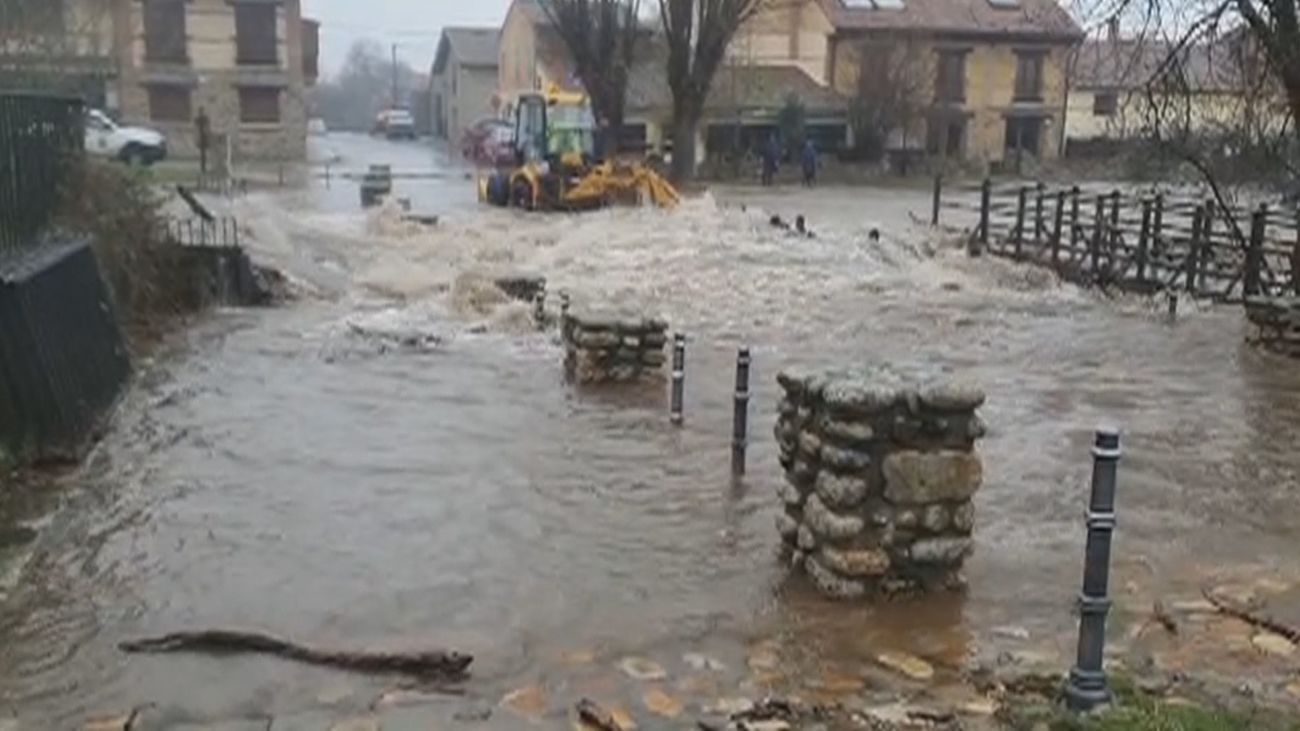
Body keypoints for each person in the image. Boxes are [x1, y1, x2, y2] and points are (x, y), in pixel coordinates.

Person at [195, 107, 211, 176]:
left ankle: (204, 167)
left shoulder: (205, 119)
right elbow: (196, 129)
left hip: (204, 137)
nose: (201, 113)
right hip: (201, 137)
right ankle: (203, 167)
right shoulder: (198, 119)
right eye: (200, 111)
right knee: (202, 154)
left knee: (204, 154)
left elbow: (207, 127)